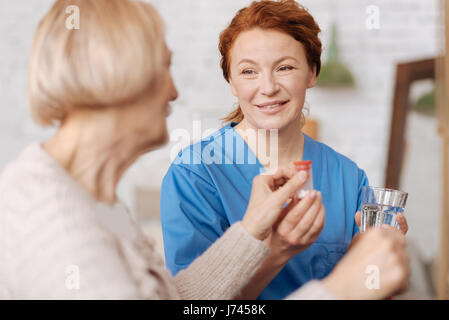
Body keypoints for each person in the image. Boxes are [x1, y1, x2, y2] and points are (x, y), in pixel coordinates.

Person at [0, 0, 408, 300]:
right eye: (164, 68)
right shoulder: (54, 219)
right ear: (115, 76)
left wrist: (265, 241)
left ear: (311, 73)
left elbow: (180, 300)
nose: (175, 91)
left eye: (285, 67)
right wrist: (339, 290)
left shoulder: (97, 204)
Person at [160, 0, 409, 300]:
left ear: (312, 72)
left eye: (285, 67)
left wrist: (374, 259)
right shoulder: (195, 174)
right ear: (231, 82)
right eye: (249, 71)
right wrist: (276, 251)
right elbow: (193, 304)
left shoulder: (348, 176)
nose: (267, 87)